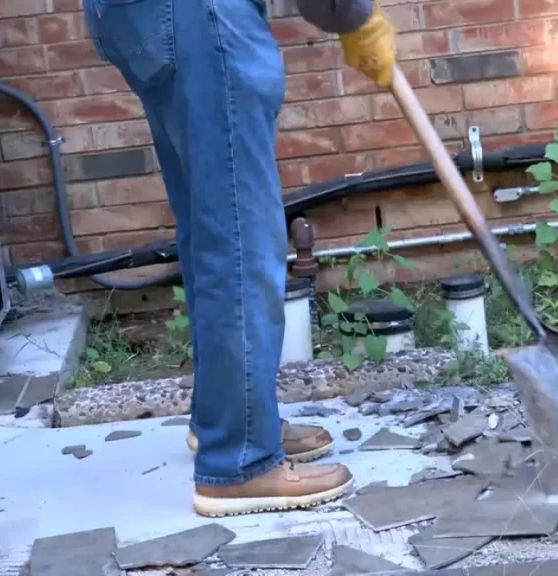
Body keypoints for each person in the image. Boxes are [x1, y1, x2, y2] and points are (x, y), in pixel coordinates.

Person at [82, 0, 397, 517]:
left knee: (211, 227)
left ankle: (226, 420)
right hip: (198, 16)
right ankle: (240, 460)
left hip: (137, 17)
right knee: (240, 237)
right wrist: (353, 15)